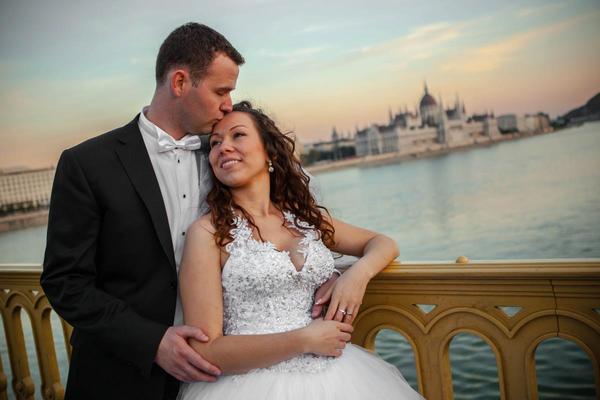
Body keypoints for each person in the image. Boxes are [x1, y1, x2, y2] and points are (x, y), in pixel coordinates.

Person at [41, 23, 251, 400]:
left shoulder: (227, 157)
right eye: (221, 91)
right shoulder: (87, 164)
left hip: (221, 376)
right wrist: (152, 342)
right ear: (180, 82)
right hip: (120, 378)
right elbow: (65, 282)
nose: (228, 105)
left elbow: (277, 224)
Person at [177, 101, 424, 399]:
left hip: (337, 378)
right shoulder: (207, 233)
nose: (223, 147)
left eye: (237, 135)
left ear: (269, 153)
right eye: (215, 143)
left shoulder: (303, 217)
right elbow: (206, 350)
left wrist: (354, 277)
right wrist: (303, 340)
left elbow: (383, 243)